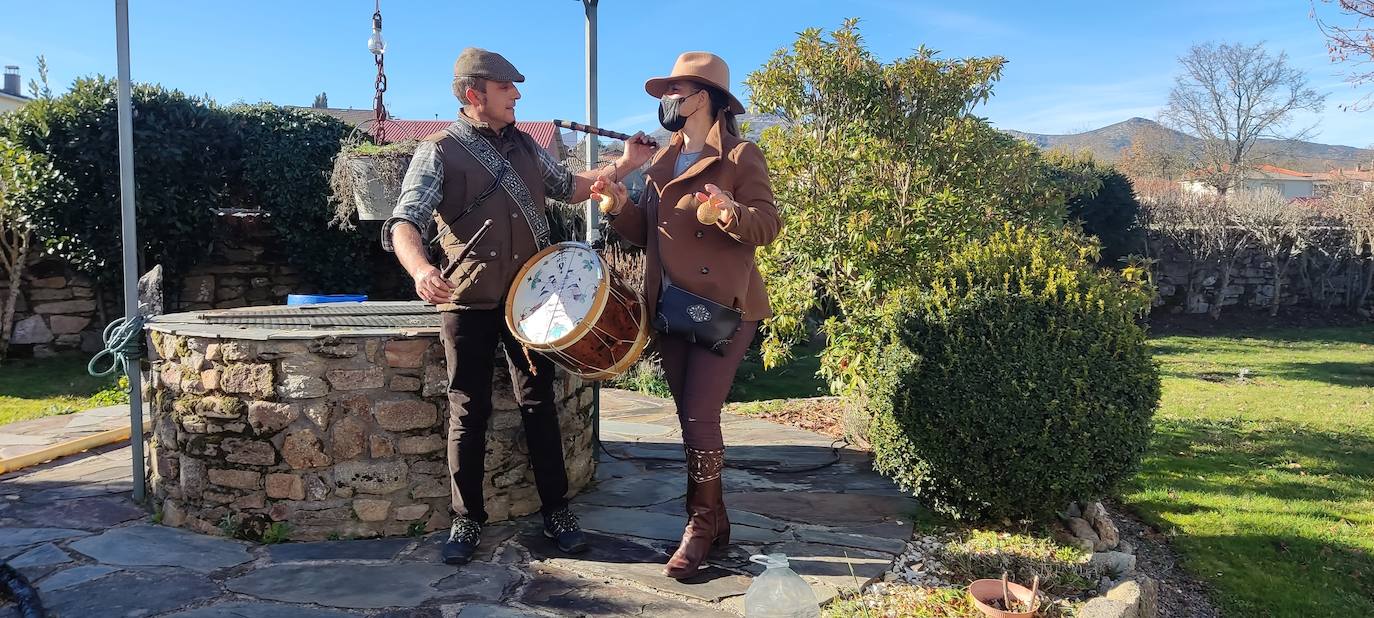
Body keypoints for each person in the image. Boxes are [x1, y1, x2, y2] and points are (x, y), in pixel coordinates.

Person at [383, 47, 656, 565]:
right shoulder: (438, 151)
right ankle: (466, 520)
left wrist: (627, 164)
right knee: (468, 408)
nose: (517, 96)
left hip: (533, 304)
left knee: (539, 404)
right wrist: (422, 270)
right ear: (474, 94)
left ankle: (557, 512)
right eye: (507, 88)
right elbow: (404, 221)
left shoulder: (528, 149)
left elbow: (572, 188)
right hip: (466, 304)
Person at [593, 51, 782, 579]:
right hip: (672, 307)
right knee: (688, 418)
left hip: (725, 307)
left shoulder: (741, 156)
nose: (667, 101)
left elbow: (767, 226)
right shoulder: (660, 161)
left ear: (707, 98)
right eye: (664, 93)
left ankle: (698, 526)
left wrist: (729, 211)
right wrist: (618, 205)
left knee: (700, 414)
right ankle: (716, 520)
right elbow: (648, 235)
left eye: (677, 92)